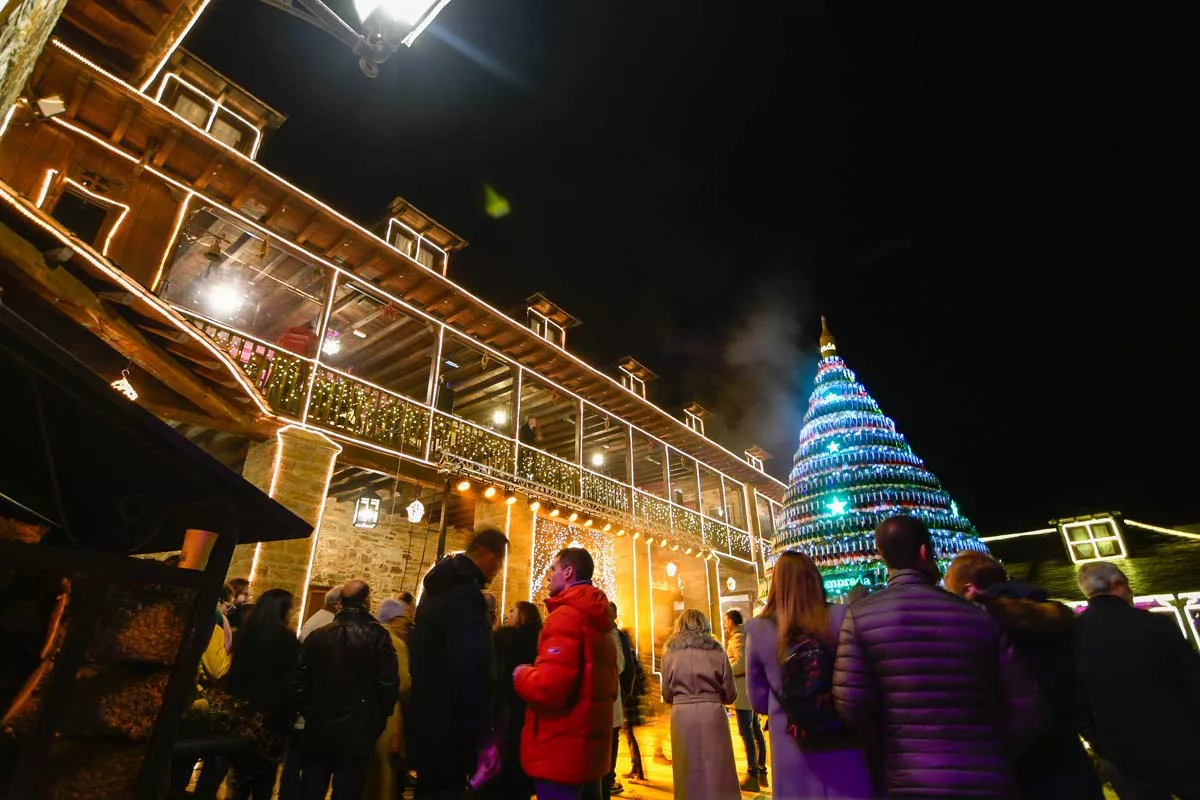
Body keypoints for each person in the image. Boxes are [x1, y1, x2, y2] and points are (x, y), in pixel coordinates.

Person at [833, 516, 1042, 798]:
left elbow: (851, 703)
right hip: (985, 775)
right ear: (924, 552)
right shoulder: (977, 615)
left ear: (881, 556)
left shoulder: (860, 617)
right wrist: (994, 751)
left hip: (907, 776)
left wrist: (889, 747)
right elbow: (1026, 704)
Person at [945, 551, 1103, 800]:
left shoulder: (974, 629)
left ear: (967, 588)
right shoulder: (1054, 618)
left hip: (1011, 758)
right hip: (1066, 751)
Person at [745, 551, 872, 799]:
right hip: (841, 737)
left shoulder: (758, 630)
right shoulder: (842, 616)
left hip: (791, 741)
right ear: (814, 578)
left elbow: (757, 699)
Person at [1073, 561, 1200, 800]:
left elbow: (1074, 697)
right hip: (1180, 740)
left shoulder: (1073, 635)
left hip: (1121, 752)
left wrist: (1099, 741)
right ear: (1117, 584)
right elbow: (1193, 677)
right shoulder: (1155, 624)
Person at [408, 528, 508, 798]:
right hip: (451, 725)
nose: (498, 571)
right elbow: (469, 669)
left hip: (428, 718)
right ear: (487, 555)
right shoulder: (467, 596)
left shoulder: (434, 592)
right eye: (499, 562)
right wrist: (484, 737)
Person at [514, 547, 618, 800]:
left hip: (560, 753)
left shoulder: (566, 617)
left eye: (553, 569)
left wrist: (521, 674)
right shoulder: (601, 623)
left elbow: (550, 688)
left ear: (569, 572)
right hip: (588, 756)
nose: (549, 576)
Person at [292, 580, 399, 800]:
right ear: (367, 601)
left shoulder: (319, 635)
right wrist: (376, 722)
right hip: (358, 730)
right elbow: (388, 685)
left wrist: (310, 710)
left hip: (320, 727)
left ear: (340, 602)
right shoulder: (378, 637)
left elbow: (298, 680)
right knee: (348, 792)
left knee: (312, 788)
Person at [227, 589, 301, 800]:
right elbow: (292, 682)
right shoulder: (287, 641)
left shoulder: (244, 636)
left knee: (240, 776)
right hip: (273, 719)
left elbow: (234, 676)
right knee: (264, 779)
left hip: (243, 712)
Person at [661, 608, 739, 800]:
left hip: (682, 717)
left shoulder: (669, 653)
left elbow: (666, 693)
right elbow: (730, 694)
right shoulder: (717, 650)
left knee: (687, 771)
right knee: (718, 771)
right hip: (713, 714)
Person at [480, 601, 543, 800]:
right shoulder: (539, 639)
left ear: (524, 615)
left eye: (512, 610)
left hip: (509, 710)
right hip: (528, 710)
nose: (507, 614)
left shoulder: (510, 639)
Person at [365, 599, 413, 800]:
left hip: (364, 714)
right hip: (389, 716)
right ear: (394, 619)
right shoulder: (395, 642)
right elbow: (403, 684)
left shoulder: (368, 635)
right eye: (404, 620)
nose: (407, 626)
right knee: (384, 778)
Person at [723, 609, 767, 791]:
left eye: (726, 621)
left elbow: (742, 663)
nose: (725, 625)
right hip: (750, 690)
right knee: (755, 731)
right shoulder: (745, 635)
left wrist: (725, 670)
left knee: (747, 732)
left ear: (732, 621)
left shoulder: (738, 637)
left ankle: (753, 774)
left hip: (744, 692)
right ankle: (760, 771)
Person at [604, 602, 630, 798]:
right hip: (603, 700)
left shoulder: (617, 636)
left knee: (613, 738)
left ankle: (609, 778)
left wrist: (627, 691)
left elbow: (624, 665)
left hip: (613, 696)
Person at [620, 637, 648, 784]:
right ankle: (635, 768)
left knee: (630, 734)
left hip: (629, 700)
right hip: (632, 699)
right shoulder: (631, 655)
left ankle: (639, 771)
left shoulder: (628, 655)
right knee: (628, 734)